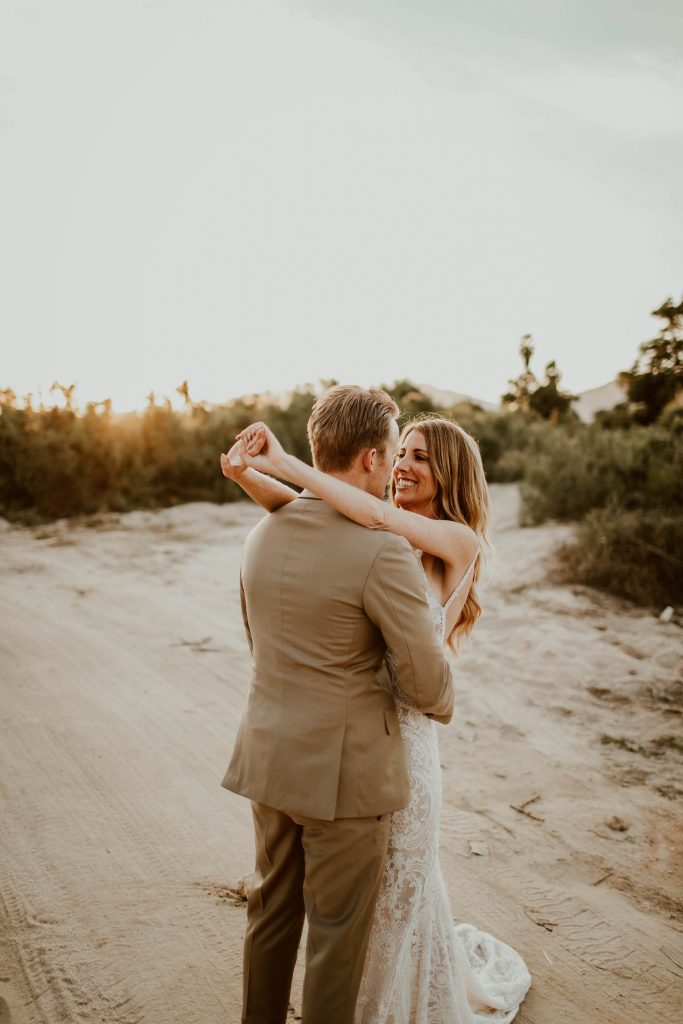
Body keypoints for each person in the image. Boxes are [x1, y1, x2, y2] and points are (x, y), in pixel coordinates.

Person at [222, 401, 532, 1024]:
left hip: (386, 744)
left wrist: (278, 463)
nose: (403, 466)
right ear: (375, 458)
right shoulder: (375, 536)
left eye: (420, 457)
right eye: (401, 452)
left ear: (451, 473)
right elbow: (325, 515)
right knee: (344, 920)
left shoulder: (450, 540)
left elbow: (350, 512)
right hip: (357, 751)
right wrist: (252, 477)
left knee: (382, 899)